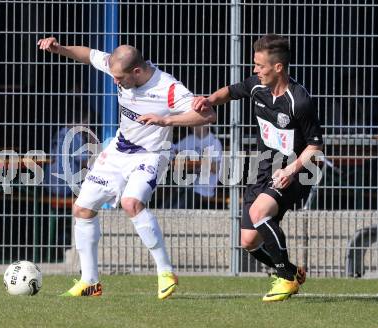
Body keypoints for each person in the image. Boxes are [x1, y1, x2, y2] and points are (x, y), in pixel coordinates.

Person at [37, 37, 216, 299]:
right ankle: (90, 282)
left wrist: (167, 120)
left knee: (131, 203)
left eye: (119, 78)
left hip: (151, 154)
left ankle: (166, 271)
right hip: (119, 151)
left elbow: (208, 115)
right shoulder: (116, 65)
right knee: (82, 209)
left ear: (137, 71)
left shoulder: (168, 88)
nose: (115, 82)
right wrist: (60, 49)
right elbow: (88, 55)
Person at [193, 34, 323, 302]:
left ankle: (286, 279)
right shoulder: (256, 86)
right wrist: (209, 100)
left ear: (278, 68)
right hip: (264, 167)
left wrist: (291, 170)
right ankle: (291, 270)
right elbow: (230, 92)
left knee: (259, 211)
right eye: (254, 64)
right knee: (248, 241)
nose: (255, 70)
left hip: (295, 171)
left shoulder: (299, 100)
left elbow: (314, 146)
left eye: (260, 65)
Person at [169, 125, 222, 209]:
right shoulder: (190, 139)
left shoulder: (214, 142)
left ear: (207, 124)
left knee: (178, 207)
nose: (193, 126)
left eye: (198, 123)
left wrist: (194, 163)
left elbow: (216, 168)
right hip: (187, 184)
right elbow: (174, 151)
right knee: (167, 204)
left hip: (203, 187)